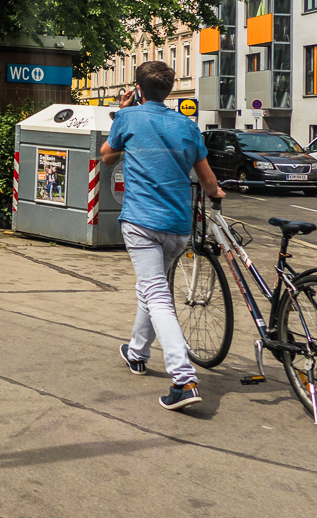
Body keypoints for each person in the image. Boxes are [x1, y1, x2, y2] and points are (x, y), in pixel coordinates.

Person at [100, 60, 225, 411]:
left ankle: (183, 379)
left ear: (138, 88)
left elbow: (106, 157)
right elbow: (209, 181)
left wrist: (123, 112)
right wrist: (216, 194)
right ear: (169, 90)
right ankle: (137, 352)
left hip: (141, 222)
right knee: (152, 287)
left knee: (156, 293)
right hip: (177, 226)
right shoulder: (188, 126)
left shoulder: (129, 117)